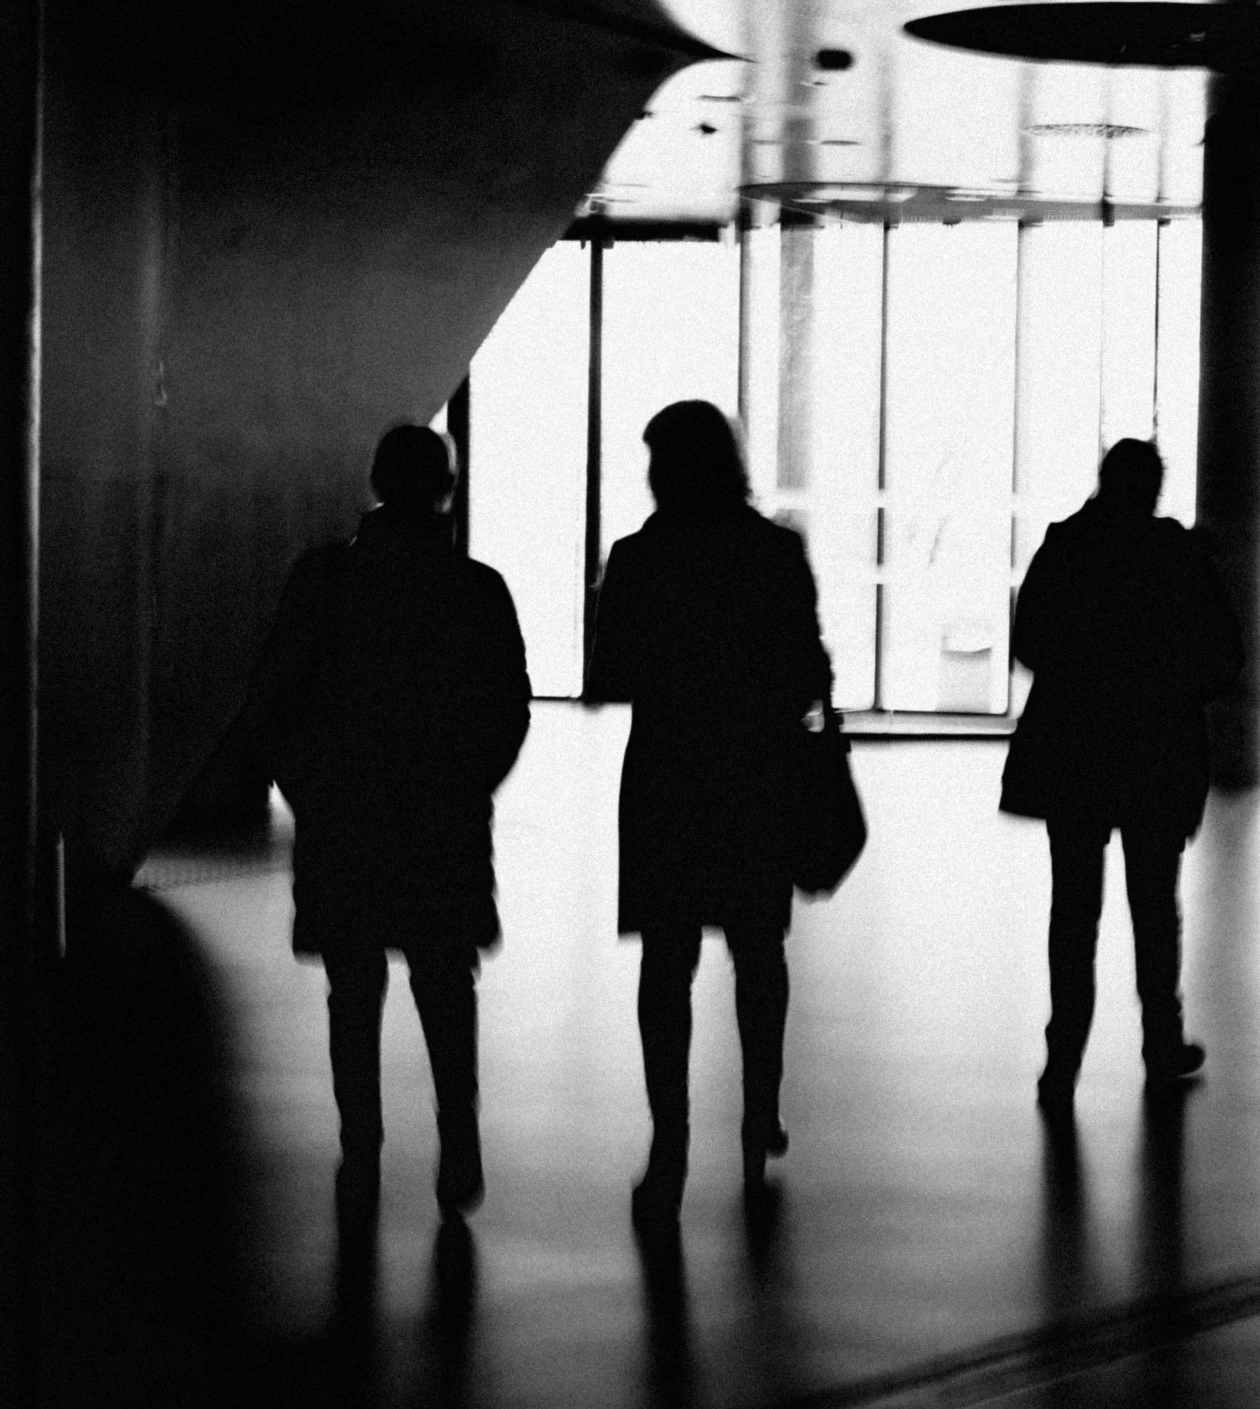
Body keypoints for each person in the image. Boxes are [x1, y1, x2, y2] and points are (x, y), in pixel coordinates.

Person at [244, 424, 532, 1220]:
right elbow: (507, 708)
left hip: (345, 810)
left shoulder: (326, 577)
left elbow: (276, 694)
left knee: (353, 983)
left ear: (374, 480)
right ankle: (457, 1140)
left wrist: (306, 785)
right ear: (448, 489)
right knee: (445, 981)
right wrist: (469, 782)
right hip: (441, 814)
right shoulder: (476, 588)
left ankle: (361, 1144)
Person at [584, 400, 833, 1221]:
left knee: (667, 960)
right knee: (759, 952)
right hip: (755, 772)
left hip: (667, 774)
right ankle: (759, 1110)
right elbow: (807, 669)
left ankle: (671, 1137)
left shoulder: (637, 557)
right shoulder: (774, 551)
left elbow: (610, 672)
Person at [1002, 439, 1242, 1112]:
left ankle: (1062, 1059)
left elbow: (1029, 644)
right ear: (1154, 488)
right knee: (1154, 907)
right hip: (1156, 751)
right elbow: (1225, 657)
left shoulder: (1068, 545)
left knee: (1074, 908)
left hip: (1075, 749)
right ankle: (1161, 1042)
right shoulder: (1177, 556)